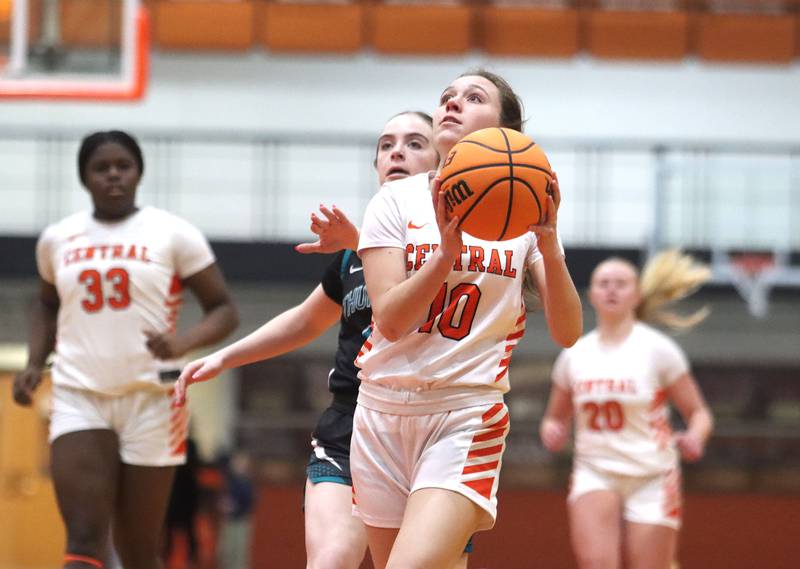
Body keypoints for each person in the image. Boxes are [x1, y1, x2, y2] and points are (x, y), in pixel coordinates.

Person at [173, 111, 441, 569]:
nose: (397, 151)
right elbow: (303, 321)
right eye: (386, 144)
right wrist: (224, 358)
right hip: (348, 427)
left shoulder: (455, 243)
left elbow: (413, 297)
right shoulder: (353, 257)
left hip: (427, 428)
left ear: (441, 163)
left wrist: (358, 241)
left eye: (415, 143)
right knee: (332, 559)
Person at [353, 69, 583, 569]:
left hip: (465, 414)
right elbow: (390, 321)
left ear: (506, 131)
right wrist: (444, 255)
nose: (452, 104)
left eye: (472, 97)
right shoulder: (394, 201)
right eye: (445, 97)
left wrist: (548, 242)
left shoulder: (527, 214)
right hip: (380, 412)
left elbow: (569, 332)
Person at [12, 130, 239, 569]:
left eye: (123, 166)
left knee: (138, 551)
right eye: (101, 167)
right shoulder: (58, 238)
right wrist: (34, 363)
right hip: (81, 395)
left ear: (138, 172)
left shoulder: (172, 233)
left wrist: (183, 342)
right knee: (82, 542)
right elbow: (45, 304)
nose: (113, 175)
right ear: (85, 177)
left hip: (153, 400)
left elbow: (224, 309)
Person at [539, 251, 714, 569]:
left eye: (621, 284)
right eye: (603, 283)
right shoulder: (574, 354)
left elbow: (699, 412)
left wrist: (696, 437)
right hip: (595, 469)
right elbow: (554, 416)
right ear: (591, 295)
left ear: (636, 295)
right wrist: (552, 429)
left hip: (652, 473)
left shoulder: (658, 349)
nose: (611, 290)